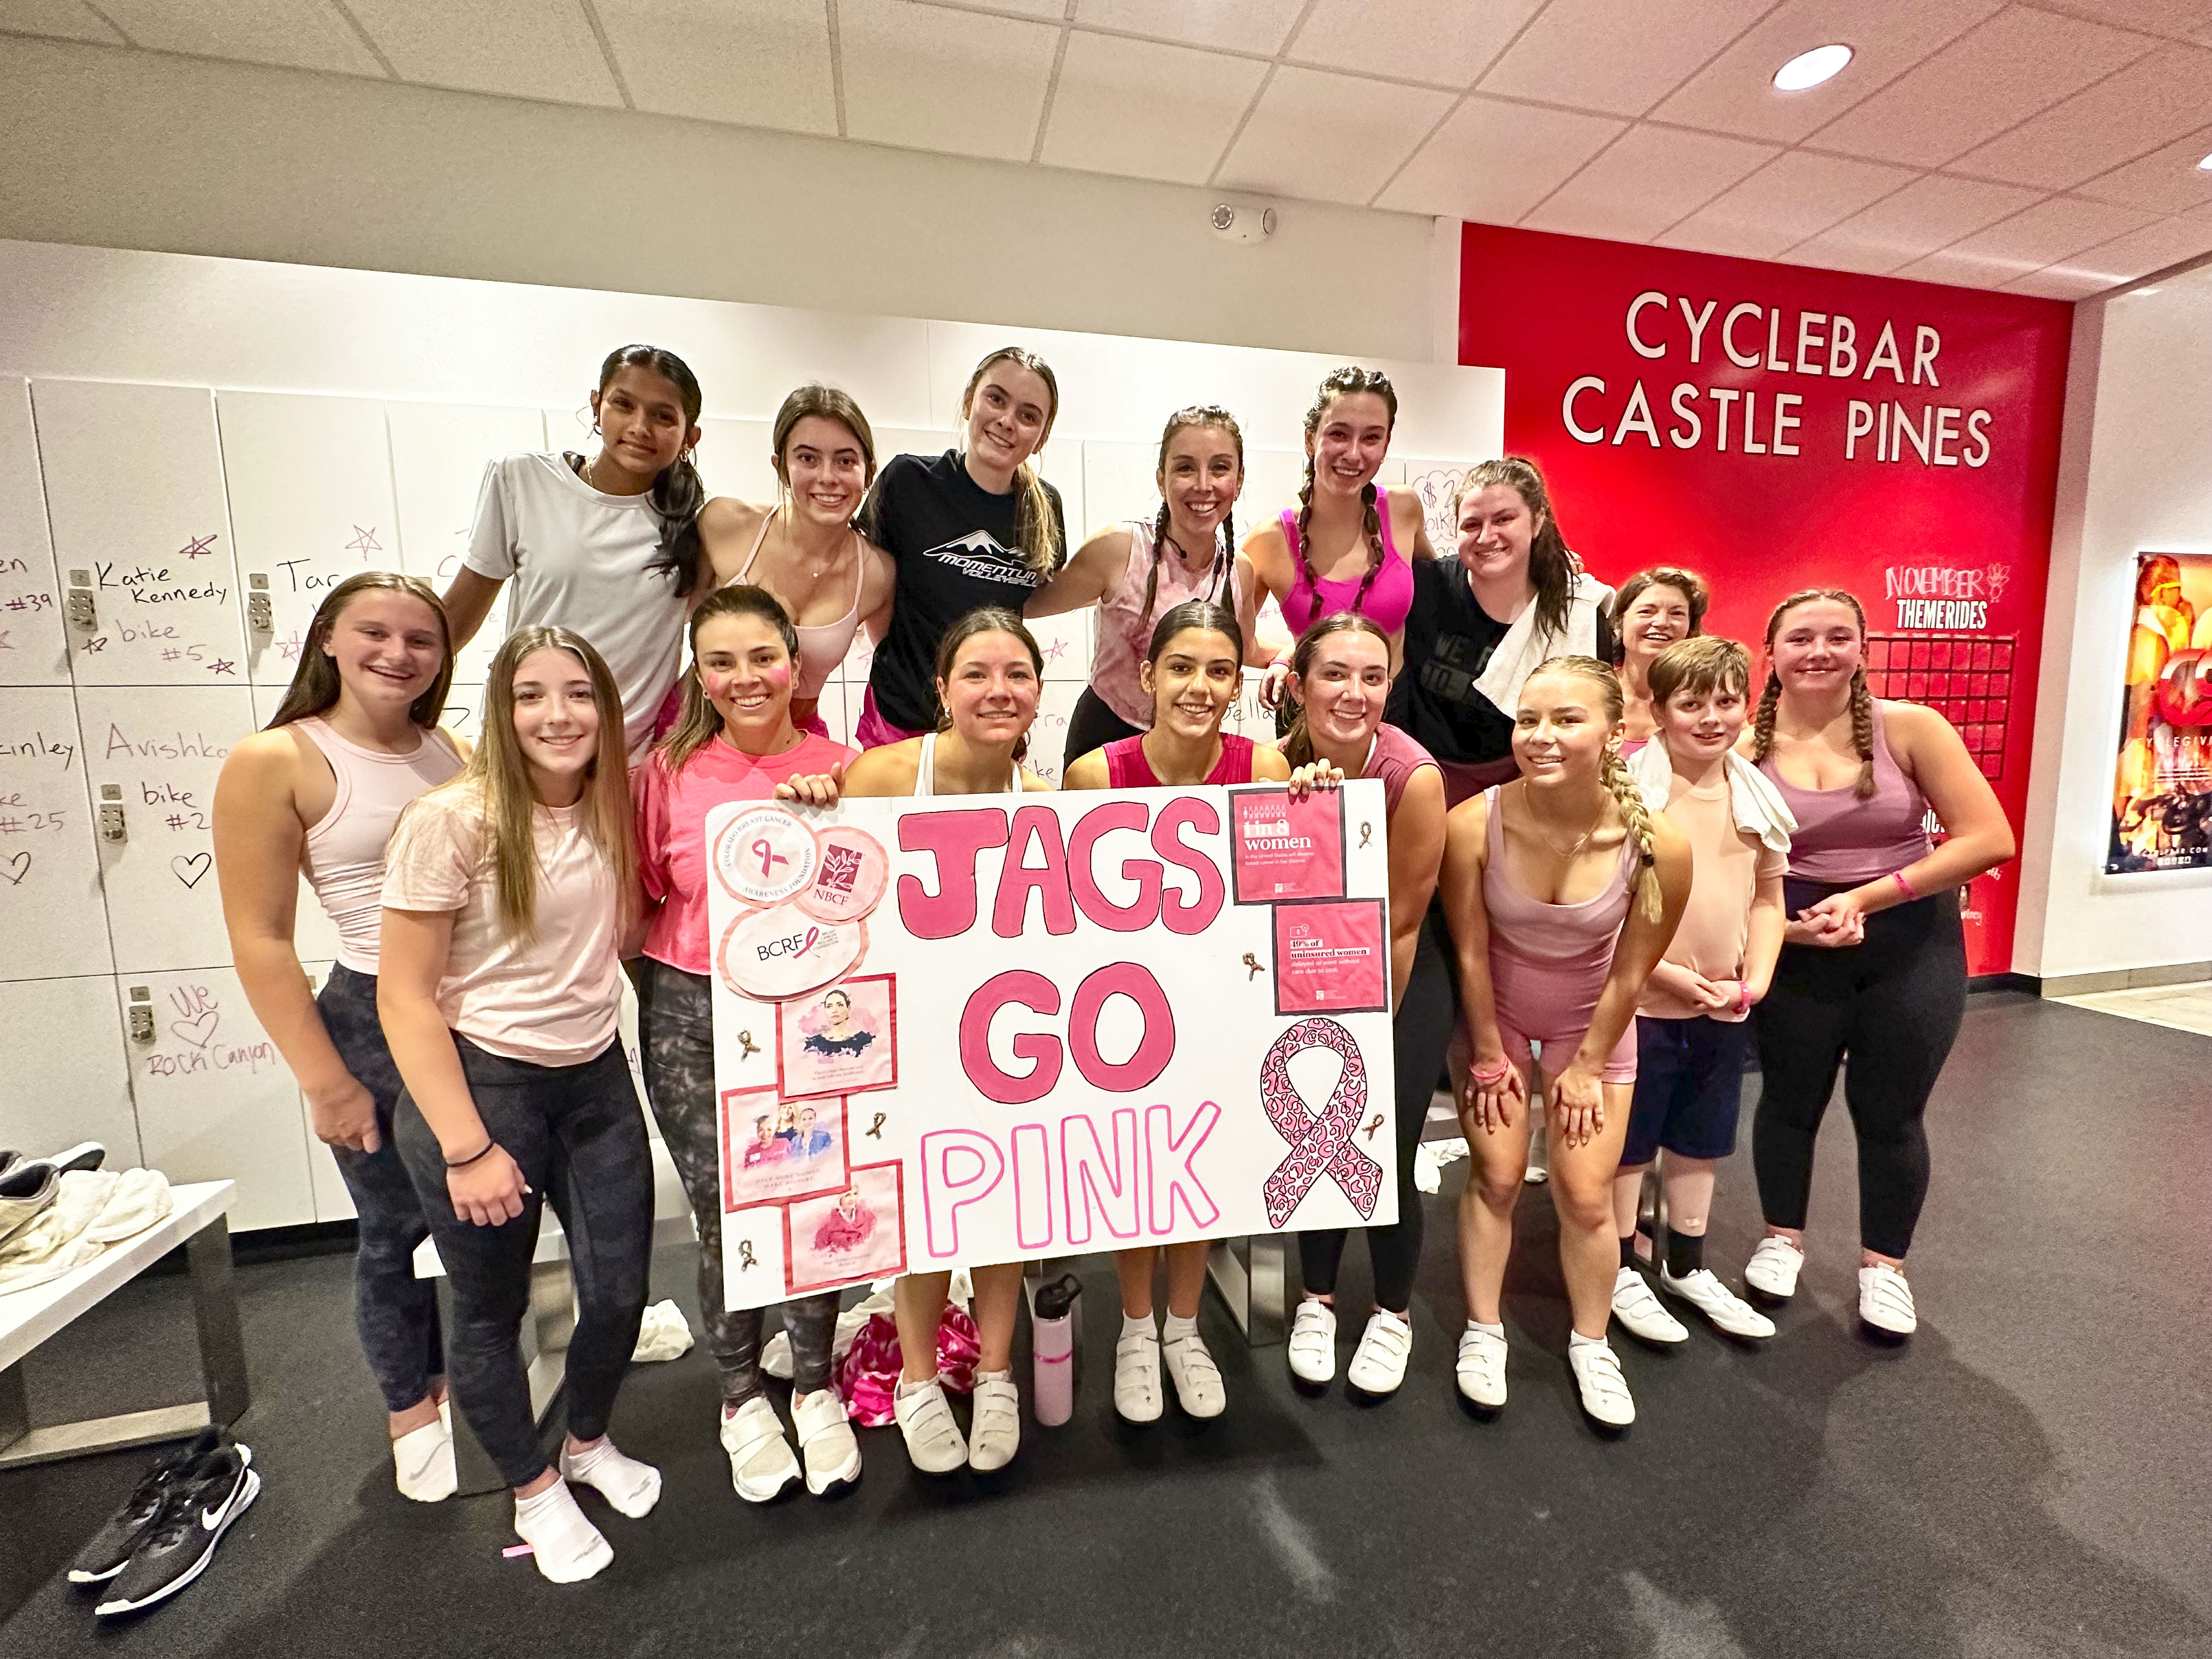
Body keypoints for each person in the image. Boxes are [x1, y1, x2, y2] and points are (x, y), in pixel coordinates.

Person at [377, 626, 656, 1584]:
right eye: (532, 694)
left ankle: (584, 1441)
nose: (557, 714)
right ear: (502, 707)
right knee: (490, 1310)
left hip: (594, 1075)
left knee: (618, 1288)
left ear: (604, 709)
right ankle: (533, 1488)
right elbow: (403, 996)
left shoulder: (611, 802)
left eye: (577, 693)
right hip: (485, 1087)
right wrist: (465, 1146)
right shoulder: (455, 817)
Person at [212, 573, 467, 1503]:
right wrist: (326, 1078)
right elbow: (260, 938)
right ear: (327, 637)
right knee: (393, 1227)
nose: (398, 654)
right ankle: (412, 1405)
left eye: (421, 640)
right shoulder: (275, 758)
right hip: (367, 1011)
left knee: (475, 1219)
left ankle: (477, 1386)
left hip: (470, 1016)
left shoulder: (451, 749)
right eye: (375, 633)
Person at [631, 584, 862, 1500]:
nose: (744, 677)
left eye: (761, 656)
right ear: (700, 672)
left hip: (811, 1019)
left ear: (794, 662)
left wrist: (828, 812)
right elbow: (645, 897)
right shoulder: (667, 771)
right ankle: (738, 1395)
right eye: (719, 660)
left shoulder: (849, 768)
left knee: (810, 1202)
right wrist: (673, 1002)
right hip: (693, 1015)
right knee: (726, 1211)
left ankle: (813, 1384)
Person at [1063, 599, 1314, 1425]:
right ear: (1147, 676)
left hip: (1222, 1008)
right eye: (1181, 668)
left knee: (1202, 1167)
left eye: (1217, 671)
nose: (1199, 687)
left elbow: (1288, 891)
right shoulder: (1097, 775)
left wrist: (1318, 803)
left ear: (1236, 683)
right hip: (1127, 1014)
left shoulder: (1266, 768)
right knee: (1143, 1172)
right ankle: (1136, 1330)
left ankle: (1182, 1327)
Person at [1743, 589, 2016, 1337]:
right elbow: (1719, 861)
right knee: (1789, 1103)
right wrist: (1788, 933)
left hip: (1909, 943)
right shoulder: (1742, 746)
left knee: (1892, 1114)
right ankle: (1780, 1240)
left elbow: (1987, 837)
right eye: (1801, 638)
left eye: (1839, 636)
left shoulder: (1912, 728)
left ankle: (1884, 1269)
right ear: (1773, 653)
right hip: (1798, 940)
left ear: (1863, 647)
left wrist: (1869, 896)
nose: (1820, 651)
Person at [1439, 656, 1689, 1429]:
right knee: (1500, 1177)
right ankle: (1483, 1333)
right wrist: (1486, 1050)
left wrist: (1584, 1068)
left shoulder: (1660, 846)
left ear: (1615, 735)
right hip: (1496, 1022)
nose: (1540, 737)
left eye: (1565, 720)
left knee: (1585, 1193)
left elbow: (1632, 973)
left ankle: (1591, 1341)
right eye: (1528, 720)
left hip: (1595, 1028)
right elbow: (1471, 952)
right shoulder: (1470, 823)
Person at [842, 608, 1056, 1473]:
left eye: (1016, 675)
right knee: (924, 1220)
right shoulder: (882, 778)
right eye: (976, 674)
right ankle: (920, 1381)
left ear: (1040, 693)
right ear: (941, 689)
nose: (998, 691)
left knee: (1008, 1216)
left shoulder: (1044, 803)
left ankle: (997, 1373)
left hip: (1009, 1045)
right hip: (911, 1039)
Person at [1278, 615, 1449, 1400]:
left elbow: (1404, 920)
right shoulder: (1271, 763)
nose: (1355, 693)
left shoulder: (1410, 776)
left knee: (1382, 1142)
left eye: (1373, 678)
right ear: (1298, 684)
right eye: (1335, 675)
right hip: (1303, 972)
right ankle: (1316, 1300)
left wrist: (1363, 1036)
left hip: (1398, 975)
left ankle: (1392, 1312)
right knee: (1312, 1143)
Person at [1608, 636, 1790, 1347]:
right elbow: (1607, 910)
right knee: (1631, 1144)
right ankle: (1621, 1268)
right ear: (1656, 710)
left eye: (1726, 701)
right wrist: (1666, 975)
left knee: (1701, 1140)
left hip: (1724, 1006)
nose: (1711, 718)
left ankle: (1686, 1263)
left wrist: (1758, 979)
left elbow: (1768, 897)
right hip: (1644, 1007)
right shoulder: (1629, 791)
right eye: (1691, 703)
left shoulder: (1755, 794)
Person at [443, 344, 706, 757]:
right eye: (624, 405)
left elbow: (721, 638)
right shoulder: (521, 479)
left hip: (627, 766)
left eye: (662, 416)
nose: (640, 427)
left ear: (690, 436)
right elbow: (457, 617)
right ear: (597, 405)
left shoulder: (699, 523)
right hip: (523, 749)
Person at [1028, 405, 1265, 765]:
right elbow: (1027, 604)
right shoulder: (1120, 549)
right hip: (1107, 738)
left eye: (1219, 467)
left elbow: (1247, 648)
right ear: (1161, 479)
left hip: (1191, 745)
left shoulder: (1239, 570)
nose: (1204, 484)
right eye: (1185, 467)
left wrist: (1290, 659)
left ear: (1239, 478)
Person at [855, 348, 1066, 748]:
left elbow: (1026, 603)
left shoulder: (1045, 510)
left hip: (989, 724)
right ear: (970, 401)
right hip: (901, 717)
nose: (1007, 422)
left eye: (1028, 415)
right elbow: (874, 590)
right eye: (997, 399)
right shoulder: (908, 482)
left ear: (1042, 437)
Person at [1388, 458, 1613, 808]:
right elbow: (1358, 639)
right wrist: (1285, 656)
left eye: (1504, 519)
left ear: (1537, 520)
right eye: (1472, 524)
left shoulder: (1577, 613)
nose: (1487, 537)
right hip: (1426, 787)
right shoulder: (1422, 589)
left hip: (1534, 796)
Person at [696, 385, 896, 739]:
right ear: (781, 467)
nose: (828, 477)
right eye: (808, 458)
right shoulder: (726, 524)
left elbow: (893, 672)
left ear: (869, 473)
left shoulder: (878, 574)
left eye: (846, 461)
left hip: (795, 741)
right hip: (700, 733)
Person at [1245, 366, 1434, 711]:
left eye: (1372, 438)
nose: (1353, 453)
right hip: (1308, 721)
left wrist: (1541, 557)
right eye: (1339, 434)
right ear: (1309, 439)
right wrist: (1291, 655)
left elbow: (1444, 592)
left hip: (1397, 713)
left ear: (1386, 444)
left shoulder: (1404, 510)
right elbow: (1235, 643)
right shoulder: (1269, 540)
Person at [1608, 567, 1707, 751]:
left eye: (1676, 613)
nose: (1662, 622)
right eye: (1647, 611)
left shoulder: (1708, 700)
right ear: (1619, 622)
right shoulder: (1593, 693)